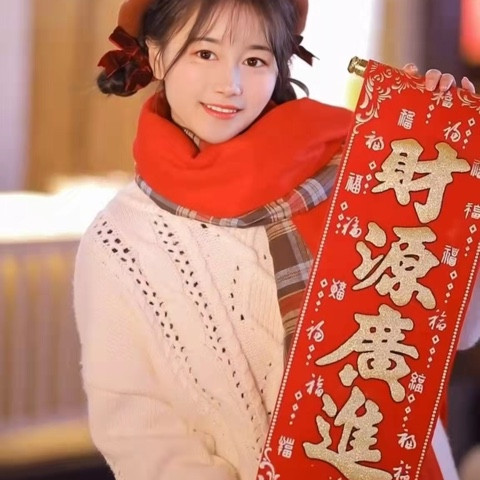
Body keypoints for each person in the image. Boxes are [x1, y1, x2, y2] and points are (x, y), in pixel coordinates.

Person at [73, 0, 480, 479]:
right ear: (156, 54)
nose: (230, 83)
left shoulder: (362, 169)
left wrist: (447, 165)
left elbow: (459, 331)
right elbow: (142, 437)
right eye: (205, 53)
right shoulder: (119, 241)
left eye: (254, 60)